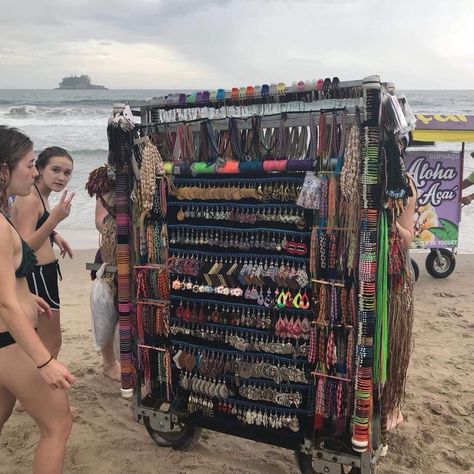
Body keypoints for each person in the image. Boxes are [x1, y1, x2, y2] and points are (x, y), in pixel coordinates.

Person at [0, 126, 75, 474]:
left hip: (8, 337)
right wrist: (44, 362)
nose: (35, 172)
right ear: (4, 169)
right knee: (58, 424)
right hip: (7, 340)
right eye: (30, 165)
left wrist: (28, 293)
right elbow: (4, 304)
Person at [12, 146, 75, 363]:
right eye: (55, 170)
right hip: (36, 276)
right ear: (38, 169)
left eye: (67, 173)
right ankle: (43, 393)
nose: (62, 177)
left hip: (43, 275)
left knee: (42, 342)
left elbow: (32, 225)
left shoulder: (39, 194)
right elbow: (23, 247)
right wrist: (54, 220)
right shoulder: (30, 198)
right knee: (50, 343)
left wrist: (54, 235)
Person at [86, 164, 121, 382]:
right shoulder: (108, 177)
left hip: (141, 251)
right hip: (111, 254)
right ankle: (109, 363)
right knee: (109, 309)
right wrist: (119, 224)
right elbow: (100, 221)